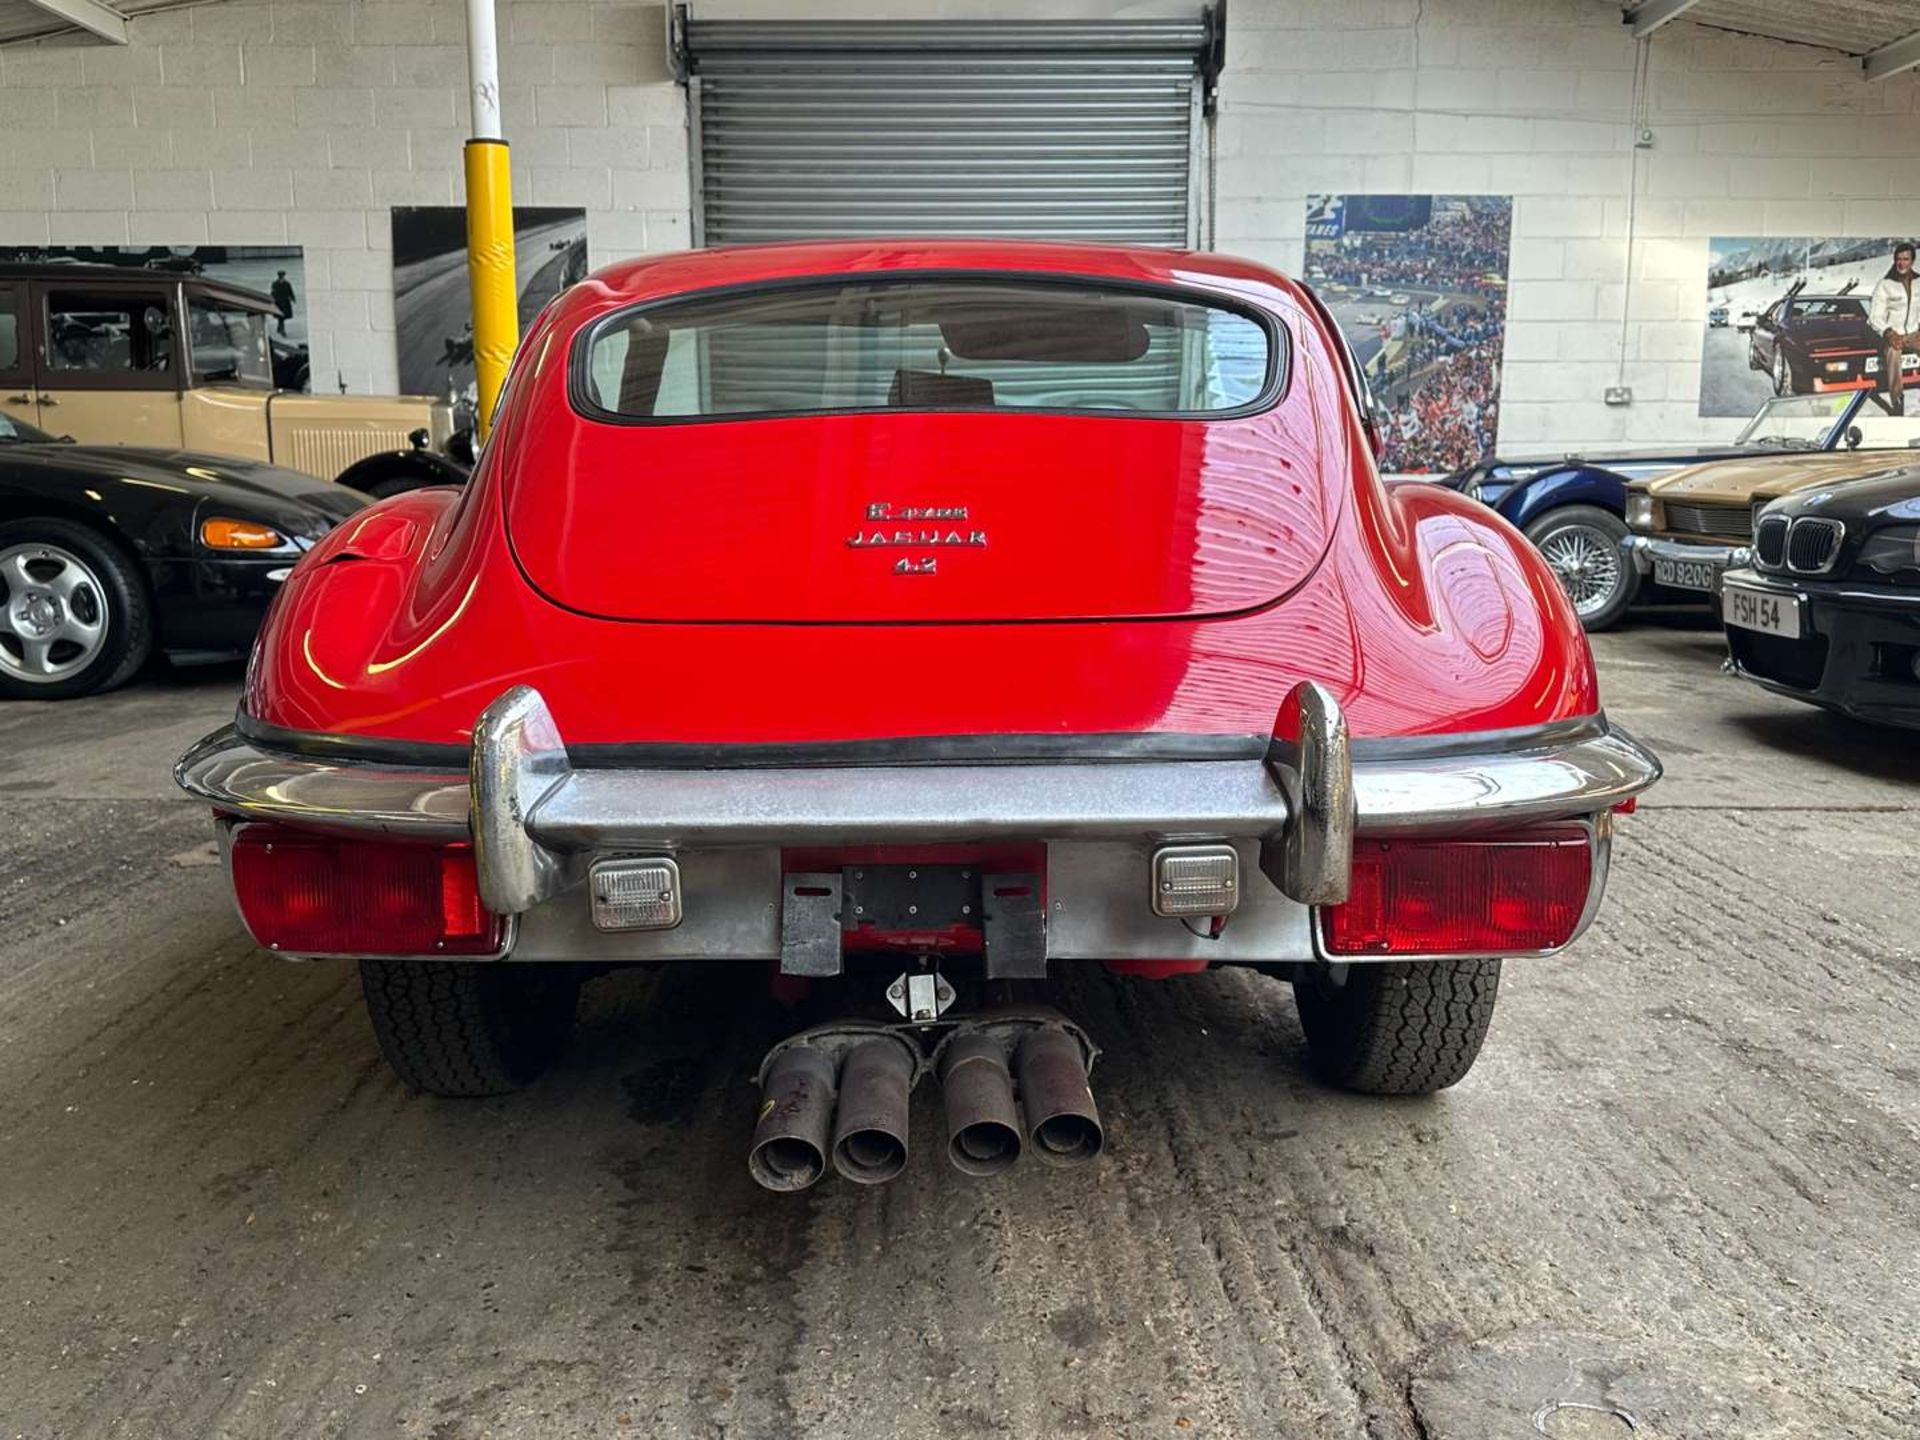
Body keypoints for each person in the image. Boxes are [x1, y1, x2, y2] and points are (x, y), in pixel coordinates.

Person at [1868, 243, 1920, 413]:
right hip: (1893, 334)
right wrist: (1888, 333)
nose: (1901, 263)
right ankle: (1897, 401)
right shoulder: (1885, 285)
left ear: (1912, 261)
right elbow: (1874, 317)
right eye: (1898, 259)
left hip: (1913, 334)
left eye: (1906, 259)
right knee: (1893, 353)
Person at [269, 270, 296, 337]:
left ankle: (279, 329)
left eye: (282, 276)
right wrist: (271, 300)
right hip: (278, 302)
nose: (281, 277)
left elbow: (290, 291)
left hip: (285, 302)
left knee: (281, 317)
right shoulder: (275, 283)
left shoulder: (287, 284)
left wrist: (293, 299)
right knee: (281, 317)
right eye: (280, 276)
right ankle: (282, 331)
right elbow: (272, 292)